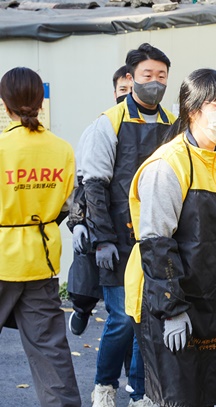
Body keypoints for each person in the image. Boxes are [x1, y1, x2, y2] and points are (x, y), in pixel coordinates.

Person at [125, 68, 216, 407]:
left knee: (209, 394)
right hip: (170, 300)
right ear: (193, 111)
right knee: (175, 397)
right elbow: (155, 242)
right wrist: (171, 309)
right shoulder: (167, 165)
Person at [81, 43, 175, 407]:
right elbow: (94, 184)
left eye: (161, 76)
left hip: (156, 238)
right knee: (121, 318)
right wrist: (102, 239)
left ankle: (141, 392)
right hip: (118, 239)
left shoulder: (171, 124)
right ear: (130, 78)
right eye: (147, 75)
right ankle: (104, 386)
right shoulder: (109, 122)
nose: (155, 82)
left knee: (146, 320)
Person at [0, 66, 81, 406]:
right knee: (50, 351)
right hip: (41, 261)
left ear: (5, 105)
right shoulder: (61, 149)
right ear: (40, 102)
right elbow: (67, 204)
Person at [67, 65, 133, 337]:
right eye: (122, 90)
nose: (128, 95)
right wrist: (77, 221)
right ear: (114, 92)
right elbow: (85, 182)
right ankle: (82, 308)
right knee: (86, 270)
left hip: (126, 218)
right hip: (96, 211)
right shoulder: (101, 126)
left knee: (125, 312)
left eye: (131, 89)